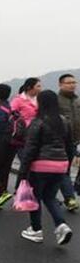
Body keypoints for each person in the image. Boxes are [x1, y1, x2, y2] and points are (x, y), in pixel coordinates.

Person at [18, 90, 74, 245]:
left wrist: (23, 172)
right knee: (50, 197)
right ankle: (61, 225)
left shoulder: (38, 121)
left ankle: (36, 230)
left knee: (35, 197)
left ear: (41, 103)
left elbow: (30, 149)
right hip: (60, 166)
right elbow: (69, 146)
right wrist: (66, 166)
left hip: (41, 166)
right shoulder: (64, 121)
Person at [57, 73, 80, 211]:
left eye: (74, 82)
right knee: (63, 170)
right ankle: (69, 198)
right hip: (59, 142)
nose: (72, 85)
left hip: (74, 141)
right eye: (69, 82)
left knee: (63, 170)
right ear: (61, 84)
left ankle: (51, 195)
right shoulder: (56, 100)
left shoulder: (77, 101)